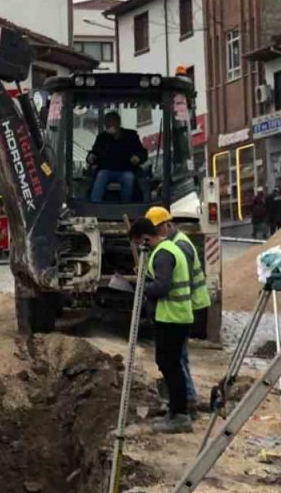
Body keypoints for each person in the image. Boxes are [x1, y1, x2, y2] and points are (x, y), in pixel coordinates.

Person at [129, 216, 195, 433]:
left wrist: (140, 285)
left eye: (140, 242)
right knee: (170, 363)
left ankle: (180, 415)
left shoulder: (164, 254)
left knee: (170, 364)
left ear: (146, 237)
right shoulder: (169, 248)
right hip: (175, 316)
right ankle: (177, 411)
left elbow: (162, 287)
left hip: (171, 317)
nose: (140, 247)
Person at [146, 206, 211, 417]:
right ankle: (183, 401)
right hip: (185, 306)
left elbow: (180, 283)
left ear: (167, 225)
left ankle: (187, 403)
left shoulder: (179, 246)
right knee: (177, 358)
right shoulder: (172, 243)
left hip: (188, 306)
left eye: (155, 229)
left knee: (178, 359)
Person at [88, 111, 148, 203]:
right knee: (101, 175)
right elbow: (94, 152)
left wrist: (137, 158)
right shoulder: (102, 138)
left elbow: (142, 153)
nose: (108, 125)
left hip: (126, 170)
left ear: (118, 123)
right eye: (106, 123)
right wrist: (91, 157)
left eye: (110, 122)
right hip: (106, 170)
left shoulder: (131, 136)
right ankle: (94, 205)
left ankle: (125, 206)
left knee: (128, 177)